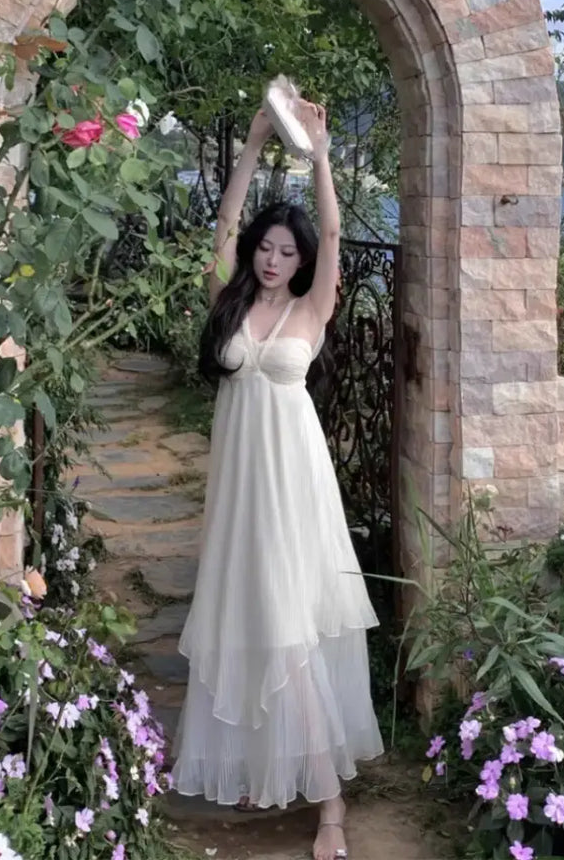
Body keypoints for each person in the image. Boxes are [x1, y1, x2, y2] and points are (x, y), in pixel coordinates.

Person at [171, 100, 385, 860]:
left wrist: (320, 154)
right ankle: (261, 764)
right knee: (249, 616)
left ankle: (330, 805)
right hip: (240, 489)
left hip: (295, 490)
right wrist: (255, 142)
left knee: (292, 626)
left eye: (285, 252)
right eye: (265, 247)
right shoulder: (227, 302)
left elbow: (333, 231)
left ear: (301, 261)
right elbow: (222, 228)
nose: (271, 259)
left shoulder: (313, 308)